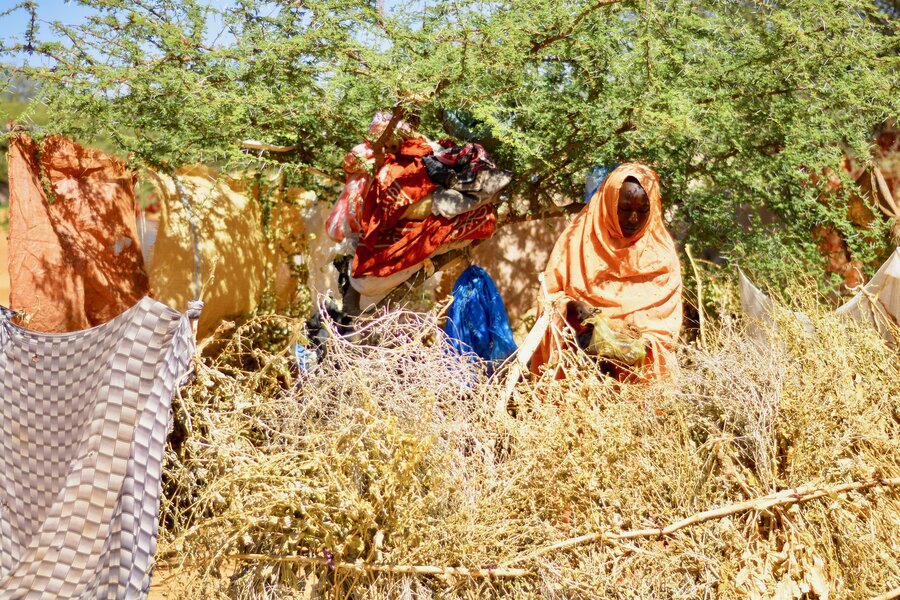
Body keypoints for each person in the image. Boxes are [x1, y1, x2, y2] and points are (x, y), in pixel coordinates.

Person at [530, 163, 683, 380]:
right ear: (611, 203)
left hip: (638, 375)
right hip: (580, 371)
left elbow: (665, 323)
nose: (633, 219)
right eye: (625, 209)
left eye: (642, 211)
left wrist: (633, 342)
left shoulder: (660, 252)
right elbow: (549, 298)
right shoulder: (578, 240)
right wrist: (574, 307)